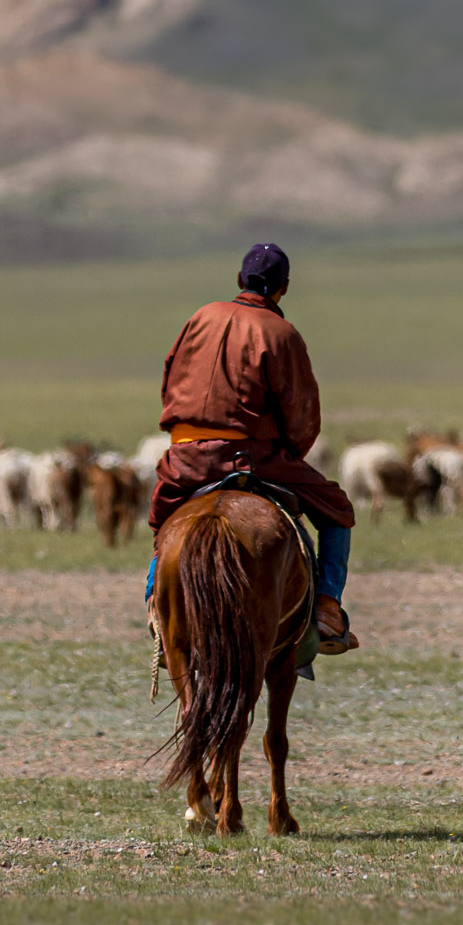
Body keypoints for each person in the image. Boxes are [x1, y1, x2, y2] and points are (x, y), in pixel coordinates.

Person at [145, 242, 356, 655]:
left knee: (165, 520)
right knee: (338, 511)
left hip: (185, 454)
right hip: (252, 456)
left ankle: (156, 601)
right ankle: (328, 608)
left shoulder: (199, 317)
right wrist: (290, 451)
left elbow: (171, 376)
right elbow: (301, 411)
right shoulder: (281, 333)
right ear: (284, 288)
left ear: (240, 279)